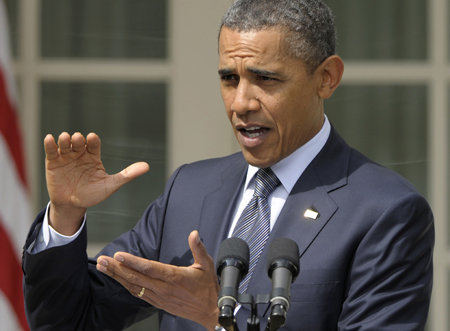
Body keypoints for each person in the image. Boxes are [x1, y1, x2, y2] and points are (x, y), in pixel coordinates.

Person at [22, 0, 434, 330]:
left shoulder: (386, 211)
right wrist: (66, 215)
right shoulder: (189, 189)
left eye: (266, 80)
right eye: (229, 79)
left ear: (326, 77)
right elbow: (68, 321)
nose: (241, 103)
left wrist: (216, 321)